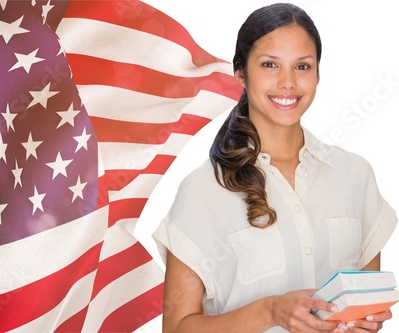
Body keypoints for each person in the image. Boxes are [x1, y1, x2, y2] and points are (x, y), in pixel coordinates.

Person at [152, 3, 397, 333]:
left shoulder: (356, 175)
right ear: (241, 73)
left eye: (302, 66)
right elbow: (177, 328)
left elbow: (365, 302)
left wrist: (364, 322)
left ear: (318, 75)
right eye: (270, 64)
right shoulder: (202, 190)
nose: (288, 82)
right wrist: (270, 311)